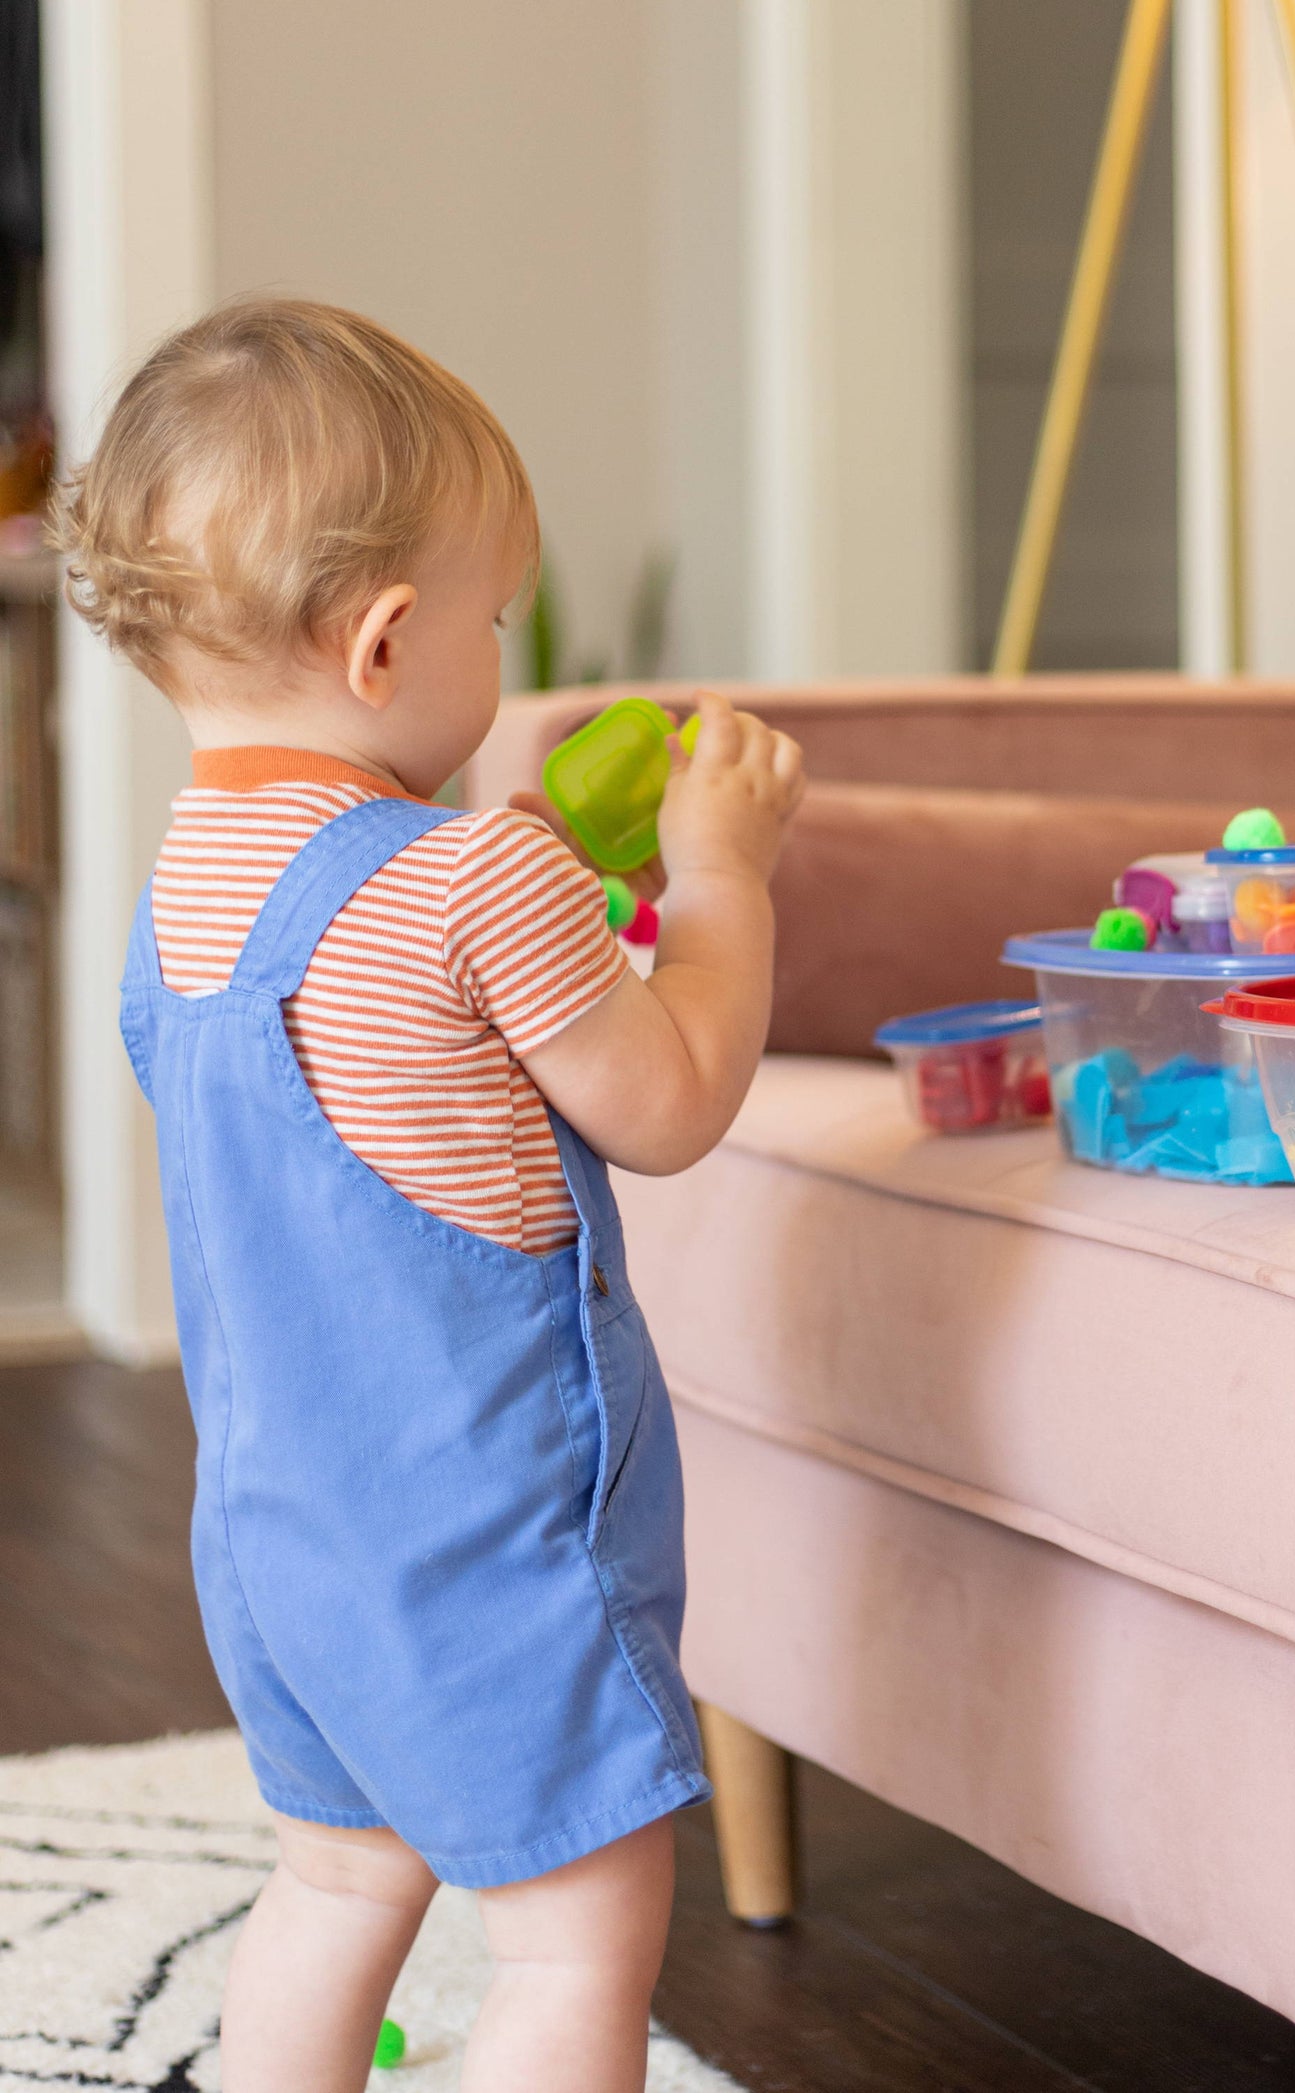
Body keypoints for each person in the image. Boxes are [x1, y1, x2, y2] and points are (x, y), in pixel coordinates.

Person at [51, 297, 804, 2093]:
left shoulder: (185, 887)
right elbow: (671, 1099)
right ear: (388, 640)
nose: (501, 647)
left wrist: (531, 874)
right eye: (495, 615)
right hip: (493, 1551)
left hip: (280, 1544)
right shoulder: (473, 883)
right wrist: (721, 880)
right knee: (570, 1942)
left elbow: (378, 1062)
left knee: (334, 1880)